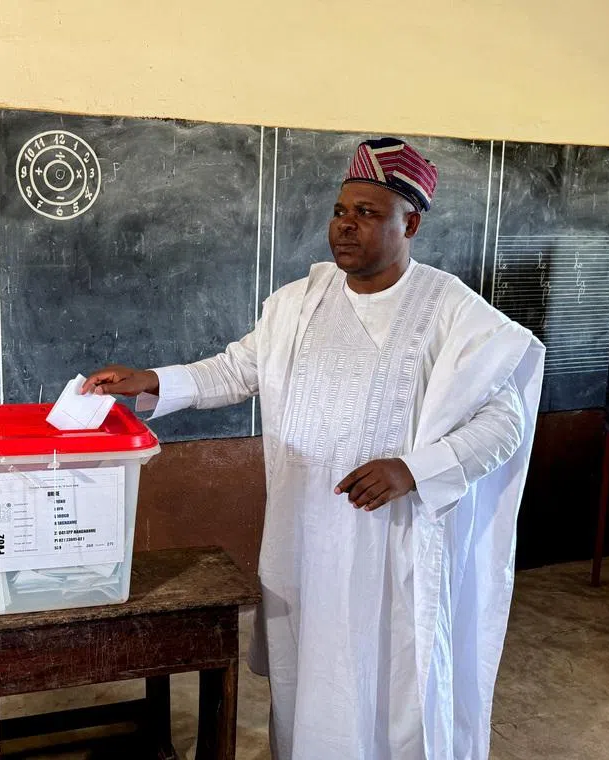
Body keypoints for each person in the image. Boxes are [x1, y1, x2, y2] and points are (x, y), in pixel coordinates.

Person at [83, 137, 546, 760]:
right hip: (305, 537)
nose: (344, 227)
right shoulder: (299, 305)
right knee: (310, 689)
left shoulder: (452, 314)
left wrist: (413, 471)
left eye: (367, 213)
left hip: (392, 546)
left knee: (391, 686)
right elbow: (238, 369)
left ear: (410, 223)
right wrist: (156, 381)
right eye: (339, 210)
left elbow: (503, 425)